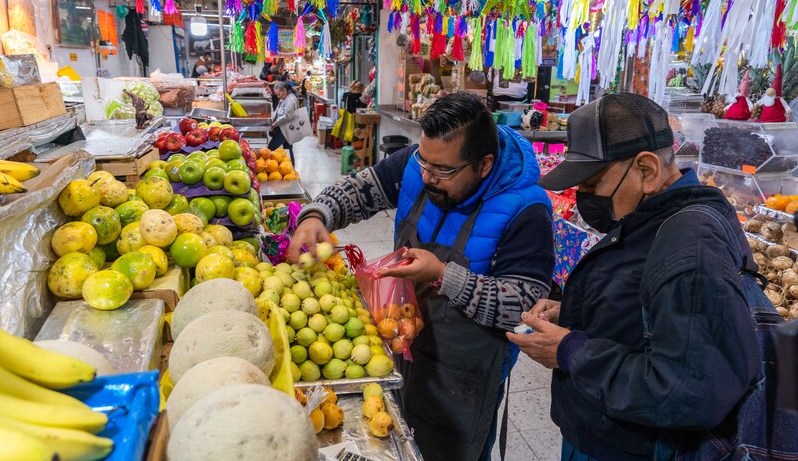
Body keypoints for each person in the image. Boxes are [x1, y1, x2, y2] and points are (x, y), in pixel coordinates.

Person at [290, 92, 555, 461]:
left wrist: (443, 274)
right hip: (401, 344)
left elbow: (524, 311)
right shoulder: (421, 163)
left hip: (463, 378)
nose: (427, 176)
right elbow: (358, 190)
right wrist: (317, 215)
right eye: (423, 162)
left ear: (484, 164)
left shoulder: (527, 210)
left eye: (443, 170)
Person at [507, 93, 760, 460]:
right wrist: (575, 312)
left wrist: (569, 351)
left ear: (646, 170)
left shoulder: (691, 251)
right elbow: (649, 312)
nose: (583, 196)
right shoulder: (648, 218)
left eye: (592, 183)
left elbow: (686, 392)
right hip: (604, 432)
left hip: (633, 448)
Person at [268, 81, 299, 151]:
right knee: (288, 149)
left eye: (279, 94)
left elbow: (287, 116)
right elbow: (278, 110)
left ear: (285, 90)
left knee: (270, 148)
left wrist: (275, 124)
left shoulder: (290, 100)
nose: (278, 97)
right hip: (283, 127)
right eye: (277, 95)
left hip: (286, 129)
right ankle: (290, 162)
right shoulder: (284, 98)